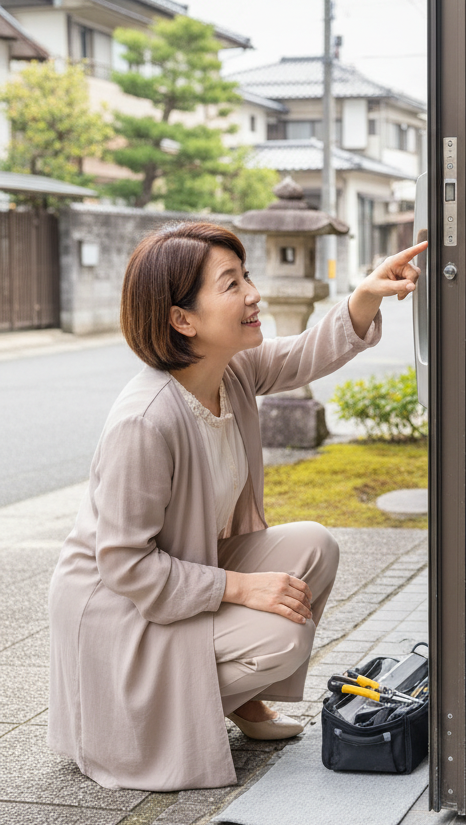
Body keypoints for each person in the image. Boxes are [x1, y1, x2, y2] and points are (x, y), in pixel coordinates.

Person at [48, 221, 425, 792]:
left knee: (314, 547)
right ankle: (178, 710)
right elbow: (125, 565)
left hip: (182, 570)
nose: (253, 294)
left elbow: (303, 354)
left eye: (245, 276)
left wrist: (366, 295)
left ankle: (237, 698)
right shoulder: (144, 422)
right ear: (182, 319)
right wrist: (240, 588)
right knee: (283, 638)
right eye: (231, 284)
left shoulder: (230, 370)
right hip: (119, 611)